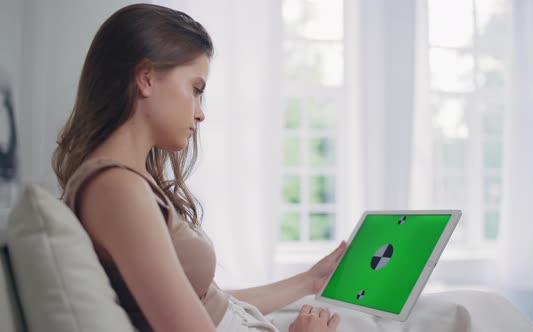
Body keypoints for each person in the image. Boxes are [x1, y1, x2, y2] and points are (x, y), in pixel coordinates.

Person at [51, 4, 346, 332]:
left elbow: (208, 304)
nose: (200, 113)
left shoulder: (129, 180)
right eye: (196, 89)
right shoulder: (117, 189)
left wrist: (310, 280)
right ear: (146, 78)